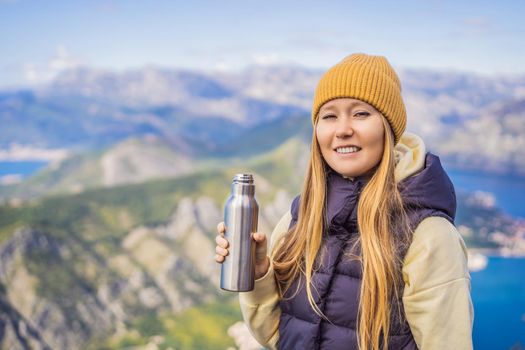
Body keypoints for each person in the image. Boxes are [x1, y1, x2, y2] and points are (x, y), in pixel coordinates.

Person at [215, 53, 474, 350]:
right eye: (329, 116)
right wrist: (259, 272)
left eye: (361, 113)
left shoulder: (428, 235)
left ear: (389, 129)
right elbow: (277, 336)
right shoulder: (299, 219)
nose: (342, 129)